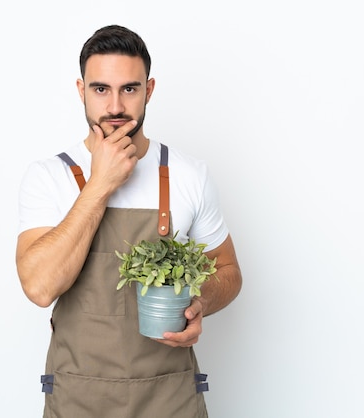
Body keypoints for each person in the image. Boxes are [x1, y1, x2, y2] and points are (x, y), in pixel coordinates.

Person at [15, 24, 242, 418]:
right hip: (77, 399)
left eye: (130, 89)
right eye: (101, 89)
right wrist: (99, 185)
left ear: (149, 90)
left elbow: (229, 272)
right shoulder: (47, 177)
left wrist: (200, 302)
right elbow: (38, 287)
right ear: (81, 90)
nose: (115, 106)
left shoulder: (189, 175)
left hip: (170, 398)